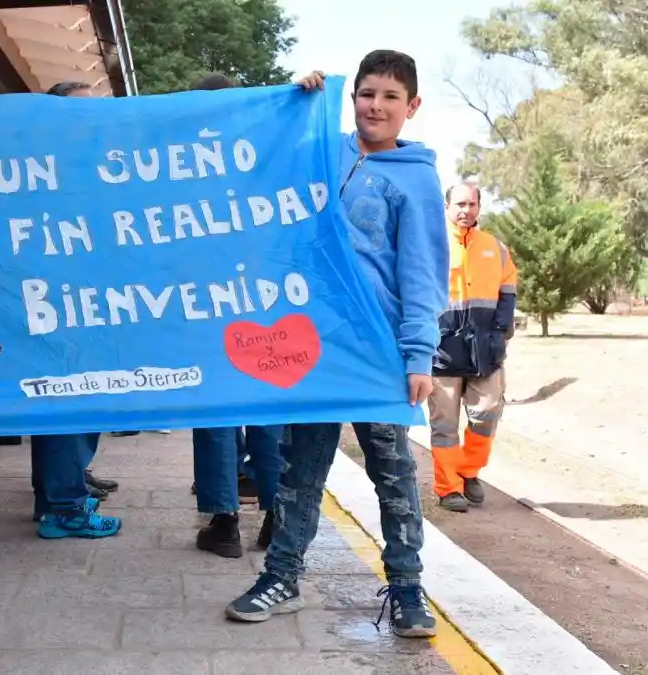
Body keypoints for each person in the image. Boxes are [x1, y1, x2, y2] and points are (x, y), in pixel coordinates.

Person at [225, 51, 449, 639]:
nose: (376, 105)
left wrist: (417, 353)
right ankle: (282, 576)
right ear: (352, 99)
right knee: (302, 466)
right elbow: (263, 166)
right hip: (314, 343)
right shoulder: (323, 151)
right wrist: (297, 100)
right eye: (366, 93)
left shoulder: (417, 178)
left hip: (378, 352)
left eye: (390, 97)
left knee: (393, 471)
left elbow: (422, 272)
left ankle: (406, 588)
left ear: (412, 107)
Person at [183, 72, 286, 559]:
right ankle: (275, 514)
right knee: (268, 411)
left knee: (216, 413)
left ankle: (224, 522)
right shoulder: (261, 159)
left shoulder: (178, 169)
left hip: (205, 306)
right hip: (265, 304)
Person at [28, 81, 123, 540]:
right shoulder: (51, 171)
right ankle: (64, 506)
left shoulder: (84, 166)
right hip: (62, 311)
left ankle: (53, 498)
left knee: (62, 405)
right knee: (71, 403)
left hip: (84, 307)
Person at [429, 184, 517, 512]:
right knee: (444, 423)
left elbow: (508, 288)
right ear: (447, 206)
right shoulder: (431, 244)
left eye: (472, 203)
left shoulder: (495, 247)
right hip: (443, 348)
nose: (466, 210)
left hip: (485, 347)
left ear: (480, 207)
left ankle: (469, 471)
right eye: (460, 204)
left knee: (488, 412)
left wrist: (500, 331)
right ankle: (448, 488)